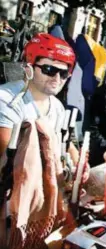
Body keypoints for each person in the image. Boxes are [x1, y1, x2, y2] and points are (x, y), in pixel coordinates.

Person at [0, 33, 86, 176]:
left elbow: (64, 142)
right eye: (49, 70)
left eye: (64, 73)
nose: (57, 79)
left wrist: (80, 166)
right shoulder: (7, 100)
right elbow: (6, 154)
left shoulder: (57, 107)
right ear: (29, 68)